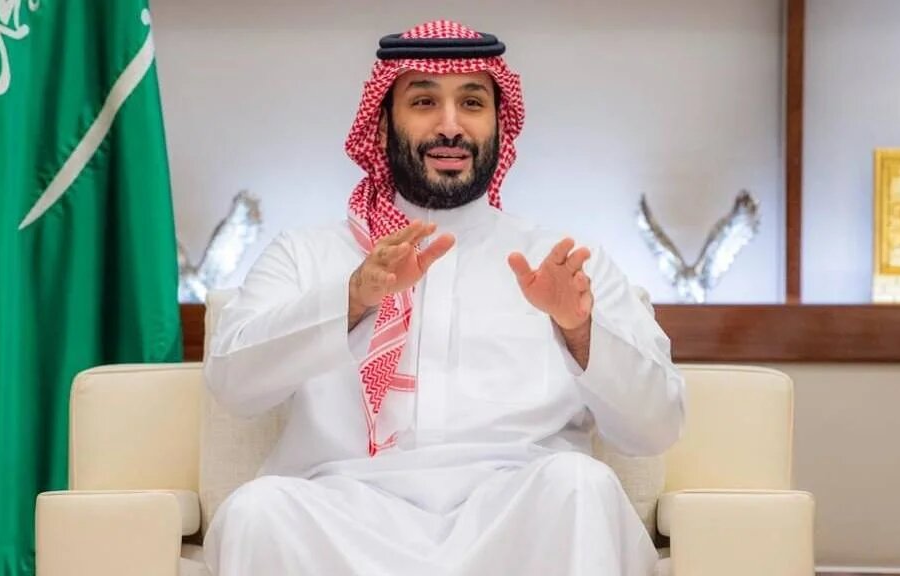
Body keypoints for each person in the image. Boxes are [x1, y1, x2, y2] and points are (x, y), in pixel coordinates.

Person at [203, 20, 685, 576]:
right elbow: (233, 387)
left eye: (473, 102)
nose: (450, 126)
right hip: (345, 512)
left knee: (578, 485)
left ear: (499, 128)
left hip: (517, 511)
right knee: (257, 510)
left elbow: (656, 429)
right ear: (382, 126)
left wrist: (578, 330)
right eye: (425, 101)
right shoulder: (306, 254)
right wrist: (355, 297)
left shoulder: (565, 261)